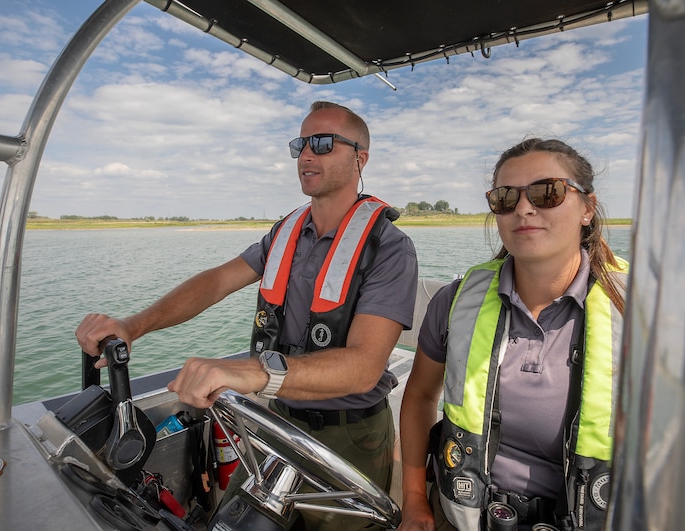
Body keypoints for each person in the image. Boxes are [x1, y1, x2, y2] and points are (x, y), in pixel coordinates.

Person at [76, 101, 418, 530]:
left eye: (324, 143)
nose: (307, 154)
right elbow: (217, 281)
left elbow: (365, 368)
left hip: (349, 434)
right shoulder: (285, 231)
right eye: (301, 144)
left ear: (360, 158)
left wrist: (252, 372)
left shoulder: (389, 246)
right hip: (275, 422)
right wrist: (132, 326)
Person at [398, 138, 627, 531]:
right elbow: (419, 396)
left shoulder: (641, 311)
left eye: (547, 192)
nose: (523, 208)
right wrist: (415, 498)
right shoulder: (454, 303)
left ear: (587, 208)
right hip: (465, 515)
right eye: (505, 197)